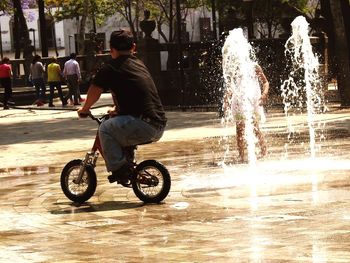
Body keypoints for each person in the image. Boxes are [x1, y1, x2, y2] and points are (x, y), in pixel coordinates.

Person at [77, 29, 167, 183]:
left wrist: (84, 109)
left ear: (111, 49)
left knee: (104, 129)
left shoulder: (111, 67)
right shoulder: (139, 64)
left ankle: (120, 169)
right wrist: (116, 110)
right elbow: (134, 94)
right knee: (117, 127)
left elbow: (95, 90)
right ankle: (129, 164)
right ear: (133, 47)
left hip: (143, 123)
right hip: (159, 124)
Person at [223, 64, 269, 163]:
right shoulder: (234, 68)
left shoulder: (255, 67)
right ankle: (241, 155)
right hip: (239, 102)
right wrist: (226, 99)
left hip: (253, 102)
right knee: (239, 129)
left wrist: (264, 94)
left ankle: (264, 152)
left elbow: (265, 82)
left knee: (255, 127)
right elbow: (231, 87)